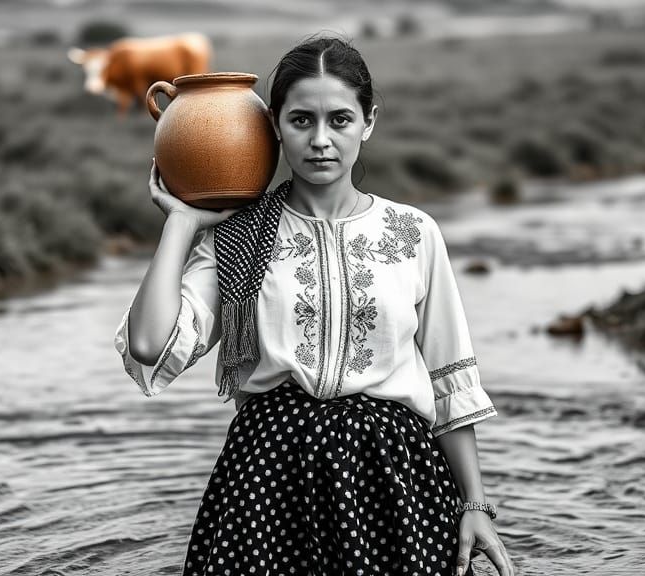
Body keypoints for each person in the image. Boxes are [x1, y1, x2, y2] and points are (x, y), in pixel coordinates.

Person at [114, 33, 514, 576]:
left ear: (368, 122)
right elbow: (149, 344)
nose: (320, 140)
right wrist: (182, 224)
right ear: (274, 125)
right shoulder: (238, 236)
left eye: (340, 120)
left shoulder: (413, 233)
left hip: (393, 477)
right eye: (301, 120)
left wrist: (474, 506)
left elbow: (449, 382)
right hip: (266, 480)